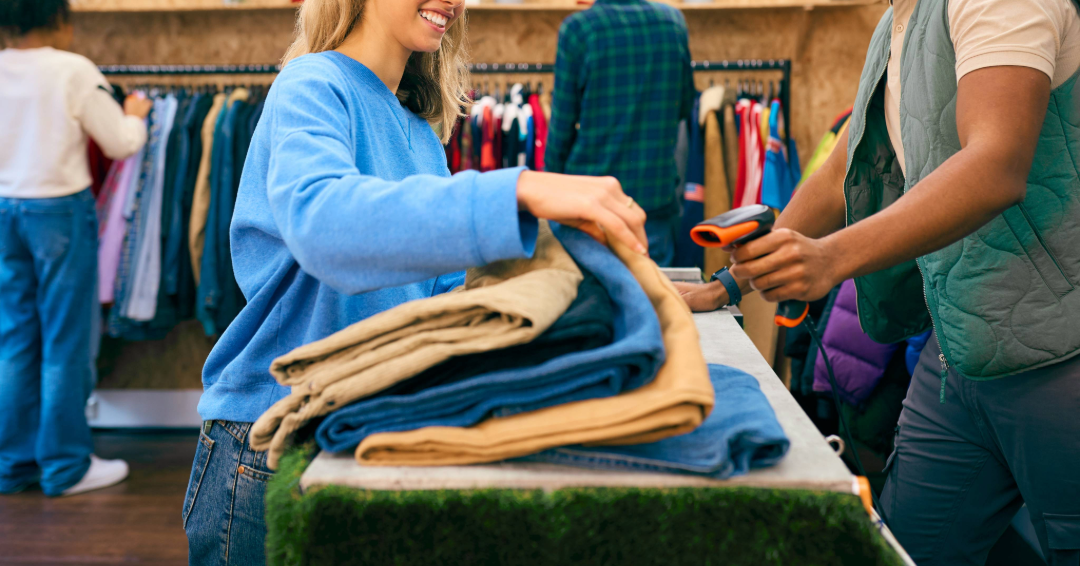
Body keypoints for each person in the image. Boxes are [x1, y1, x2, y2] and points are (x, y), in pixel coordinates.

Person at [179, 0, 648, 563]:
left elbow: (444, 294)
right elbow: (326, 225)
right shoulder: (311, 84)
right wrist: (516, 191)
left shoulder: (420, 133)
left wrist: (595, 284)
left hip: (361, 433)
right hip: (267, 444)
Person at [674, 0, 1080, 563]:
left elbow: (995, 163)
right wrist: (730, 284)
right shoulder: (900, 21)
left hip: (1058, 358)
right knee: (900, 546)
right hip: (960, 352)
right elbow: (845, 165)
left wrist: (830, 259)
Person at [0, 0, 152, 497]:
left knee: (15, 337)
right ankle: (65, 466)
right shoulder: (72, 70)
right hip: (58, 210)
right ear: (60, 21)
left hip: (5, 209)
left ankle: (13, 465)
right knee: (66, 340)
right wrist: (136, 116)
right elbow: (121, 144)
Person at [545, 0, 695, 267]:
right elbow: (684, 106)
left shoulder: (579, 30)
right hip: (653, 203)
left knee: (589, 304)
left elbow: (561, 131)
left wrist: (551, 196)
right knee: (655, 302)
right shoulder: (673, 22)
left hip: (589, 208)